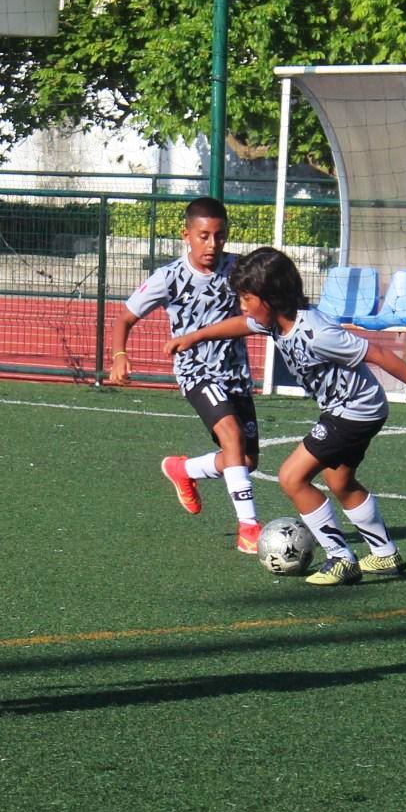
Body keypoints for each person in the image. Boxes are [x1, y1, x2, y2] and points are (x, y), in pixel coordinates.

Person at [168, 248, 406, 585]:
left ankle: (341, 559)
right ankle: (385, 555)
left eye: (247, 297)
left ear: (270, 297)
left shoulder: (317, 332)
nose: (243, 305)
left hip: (354, 410)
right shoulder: (274, 322)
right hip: (354, 408)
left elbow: (378, 353)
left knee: (292, 478)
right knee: (341, 482)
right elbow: (241, 325)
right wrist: (194, 336)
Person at [107, 197, 262, 553]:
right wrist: (119, 356)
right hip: (196, 371)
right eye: (203, 236)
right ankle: (249, 527)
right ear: (186, 235)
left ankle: (184, 470)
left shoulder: (238, 271)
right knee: (230, 434)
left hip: (236, 374)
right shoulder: (169, 277)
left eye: (219, 236)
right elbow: (125, 318)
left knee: (245, 460)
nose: (212, 244)